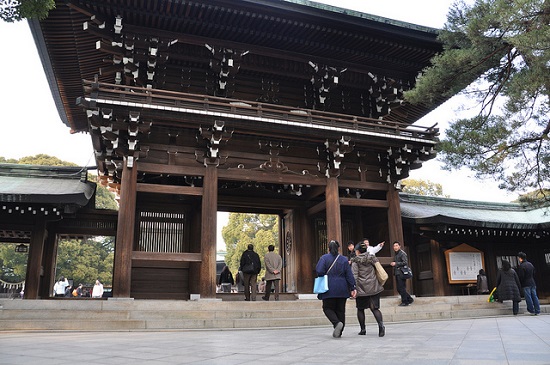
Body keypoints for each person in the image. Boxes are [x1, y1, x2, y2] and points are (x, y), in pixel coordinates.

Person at [316, 240, 357, 338]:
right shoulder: (344, 259)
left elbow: (319, 271)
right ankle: (340, 331)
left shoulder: (324, 258)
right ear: (338, 248)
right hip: (342, 287)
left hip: (328, 287)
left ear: (328, 249)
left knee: (327, 308)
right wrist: (353, 287)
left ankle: (336, 323)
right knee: (340, 310)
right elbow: (349, 275)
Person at [351, 242, 385, 337]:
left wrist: (353, 288)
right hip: (373, 286)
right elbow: (378, 269)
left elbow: (354, 275)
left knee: (360, 309)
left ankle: (363, 329)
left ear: (357, 251)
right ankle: (381, 325)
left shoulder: (355, 261)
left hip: (361, 288)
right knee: (375, 309)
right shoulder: (372, 258)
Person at [390, 241, 414, 306]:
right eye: (394, 246)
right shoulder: (396, 254)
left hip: (401, 273)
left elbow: (405, 262)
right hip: (397, 272)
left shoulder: (402, 253)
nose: (395, 247)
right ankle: (409, 299)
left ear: (399, 246)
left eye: (397, 246)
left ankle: (405, 301)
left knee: (401, 288)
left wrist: (396, 263)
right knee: (399, 288)